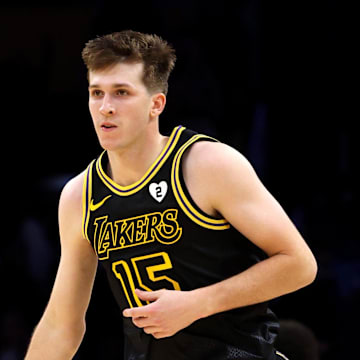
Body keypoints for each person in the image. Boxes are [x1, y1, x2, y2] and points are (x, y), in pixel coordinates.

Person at [25, 30, 317, 360]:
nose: (105, 107)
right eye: (96, 93)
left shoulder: (206, 164)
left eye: (121, 92)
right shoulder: (81, 194)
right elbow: (61, 326)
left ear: (156, 104)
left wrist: (199, 303)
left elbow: (299, 264)